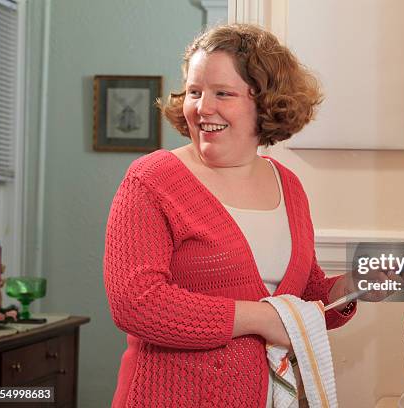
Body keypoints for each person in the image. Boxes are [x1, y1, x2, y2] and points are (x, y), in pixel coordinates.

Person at [103, 24, 363, 407]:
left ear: (265, 102)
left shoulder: (287, 185)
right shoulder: (151, 180)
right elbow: (137, 303)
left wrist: (354, 286)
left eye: (222, 93)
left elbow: (302, 298)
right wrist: (259, 319)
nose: (202, 108)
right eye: (194, 92)